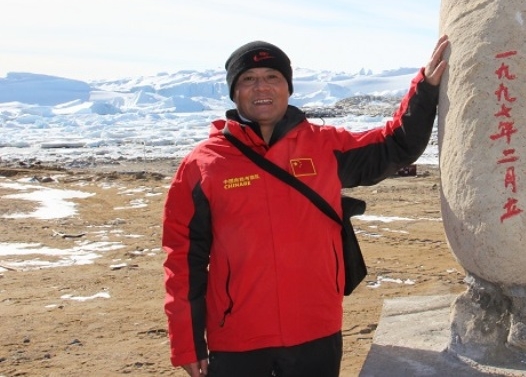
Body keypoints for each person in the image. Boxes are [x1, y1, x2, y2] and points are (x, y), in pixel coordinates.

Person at [162, 35, 449, 377]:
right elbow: (183, 259)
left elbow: (395, 145)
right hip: (237, 337)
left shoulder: (325, 146)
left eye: (272, 77)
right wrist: (188, 343)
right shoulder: (203, 164)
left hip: (316, 329)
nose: (261, 87)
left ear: (288, 87)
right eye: (248, 79)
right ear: (234, 92)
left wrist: (425, 88)